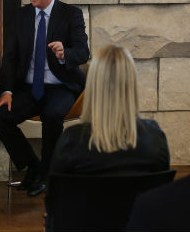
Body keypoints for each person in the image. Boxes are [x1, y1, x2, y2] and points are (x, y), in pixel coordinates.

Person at [0, 0, 89, 197]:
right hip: (29, 88)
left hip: (61, 85)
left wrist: (66, 53)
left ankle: (48, 175)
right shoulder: (22, 16)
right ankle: (35, 167)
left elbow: (83, 52)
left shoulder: (70, 14)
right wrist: (7, 92)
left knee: (52, 115)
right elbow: (10, 58)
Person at [50, 44, 170, 175]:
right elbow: (159, 192)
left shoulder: (71, 141)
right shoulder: (154, 138)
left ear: (93, 85)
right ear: (131, 85)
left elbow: (58, 193)